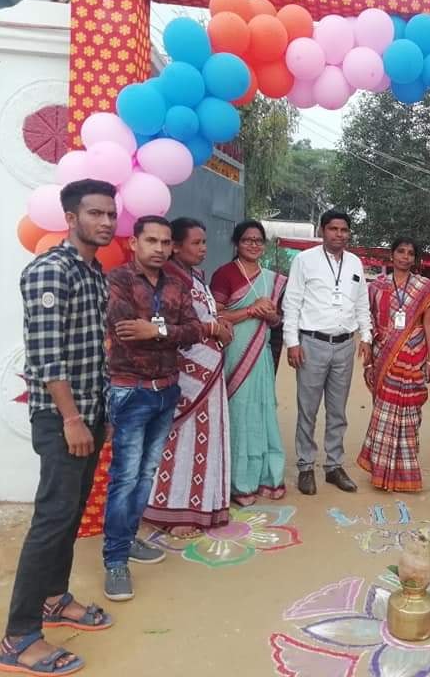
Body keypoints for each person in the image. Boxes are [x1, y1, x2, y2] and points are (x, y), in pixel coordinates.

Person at [0, 179, 117, 676]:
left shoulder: (93, 273)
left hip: (92, 411)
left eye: (111, 214)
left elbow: (92, 345)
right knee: (51, 521)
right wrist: (71, 419)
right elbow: (47, 360)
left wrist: (97, 413)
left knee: (68, 515)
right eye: (95, 214)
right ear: (71, 218)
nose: (106, 222)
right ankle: (19, 638)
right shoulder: (50, 272)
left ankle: (54, 597)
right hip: (63, 418)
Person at [103, 215, 207, 602]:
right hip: (131, 392)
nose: (160, 248)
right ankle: (114, 560)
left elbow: (194, 331)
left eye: (166, 242)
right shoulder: (118, 280)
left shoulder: (178, 285)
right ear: (134, 243)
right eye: (152, 241)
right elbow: (123, 330)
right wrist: (160, 332)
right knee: (125, 477)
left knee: (146, 474)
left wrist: (156, 331)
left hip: (166, 390)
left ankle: (128, 540)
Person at [143, 218, 234, 537]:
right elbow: (165, 327)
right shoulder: (168, 280)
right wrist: (211, 330)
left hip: (208, 372)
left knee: (205, 441)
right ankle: (171, 510)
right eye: (196, 243)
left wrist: (219, 327)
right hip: (187, 375)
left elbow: (205, 316)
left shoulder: (194, 277)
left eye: (204, 242)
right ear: (176, 247)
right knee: (178, 442)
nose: (203, 248)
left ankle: (202, 506)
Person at [282, 209, 372, 496]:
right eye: (333, 229)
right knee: (308, 410)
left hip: (345, 345)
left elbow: (362, 305)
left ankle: (334, 466)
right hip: (311, 344)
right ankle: (306, 467)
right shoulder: (304, 260)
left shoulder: (356, 263)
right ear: (322, 230)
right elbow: (292, 302)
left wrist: (366, 336)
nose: (339, 235)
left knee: (338, 411)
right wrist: (291, 342)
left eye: (344, 230)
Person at [210, 220, 287, 505]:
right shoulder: (225, 274)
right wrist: (251, 311)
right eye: (247, 240)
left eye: (258, 240)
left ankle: (266, 478)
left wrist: (270, 317)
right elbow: (215, 316)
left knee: (263, 411)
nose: (253, 245)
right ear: (237, 243)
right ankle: (238, 483)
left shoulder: (272, 278)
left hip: (261, 355)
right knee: (239, 413)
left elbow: (277, 320)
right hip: (235, 354)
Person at [357, 238, 430, 492]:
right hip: (385, 354)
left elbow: (429, 323)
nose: (405, 257)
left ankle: (404, 474)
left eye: (410, 253)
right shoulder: (377, 287)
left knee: (409, 417)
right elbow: (371, 323)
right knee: (382, 415)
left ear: (415, 259)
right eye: (400, 252)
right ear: (392, 255)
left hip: (414, 355)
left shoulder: (424, 287)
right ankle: (381, 471)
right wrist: (370, 362)